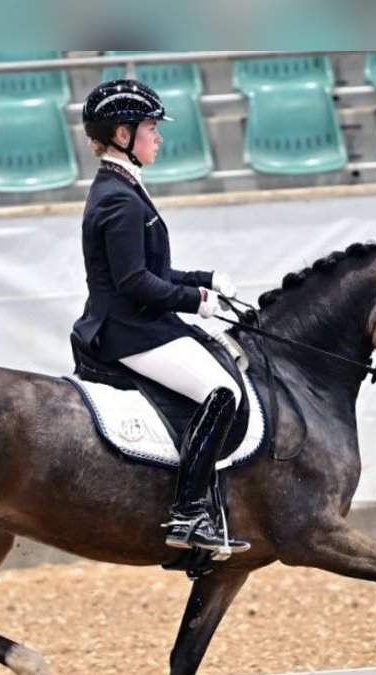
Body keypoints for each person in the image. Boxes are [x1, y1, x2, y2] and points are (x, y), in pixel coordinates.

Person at [72, 78, 249, 556]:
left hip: (139, 322)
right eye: (151, 128)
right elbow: (135, 284)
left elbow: (152, 269)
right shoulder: (118, 200)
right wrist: (198, 301)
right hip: (128, 331)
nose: (159, 137)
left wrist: (206, 278)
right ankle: (188, 512)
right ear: (122, 136)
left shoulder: (123, 188)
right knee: (222, 391)